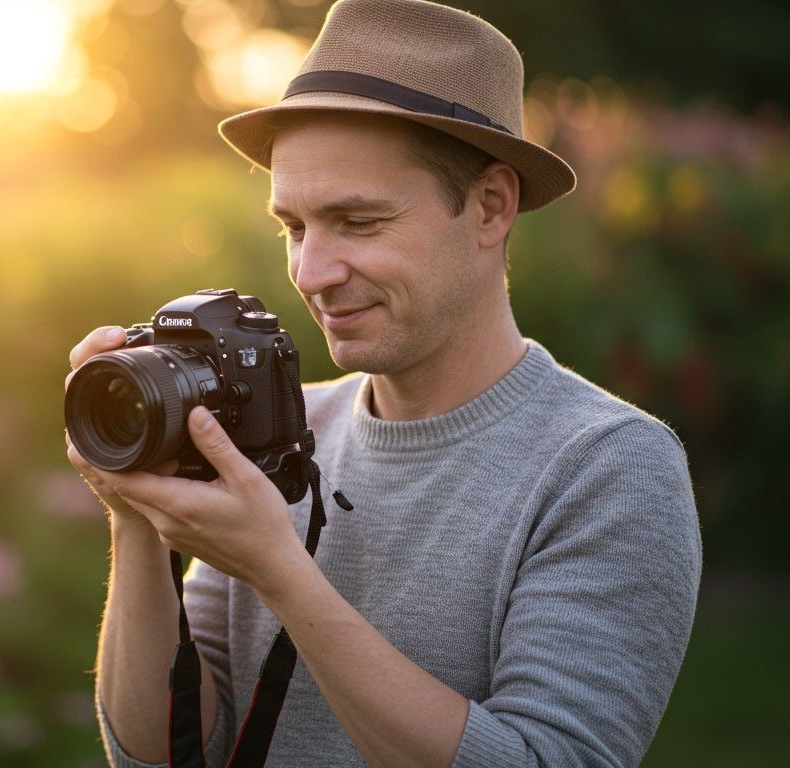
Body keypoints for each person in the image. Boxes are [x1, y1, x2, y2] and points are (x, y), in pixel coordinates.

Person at [63, 0, 703, 766]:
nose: (312, 272)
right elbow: (160, 756)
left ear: (491, 206)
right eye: (294, 226)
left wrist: (283, 573)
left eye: (358, 222)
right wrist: (134, 515)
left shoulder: (609, 467)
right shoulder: (275, 436)